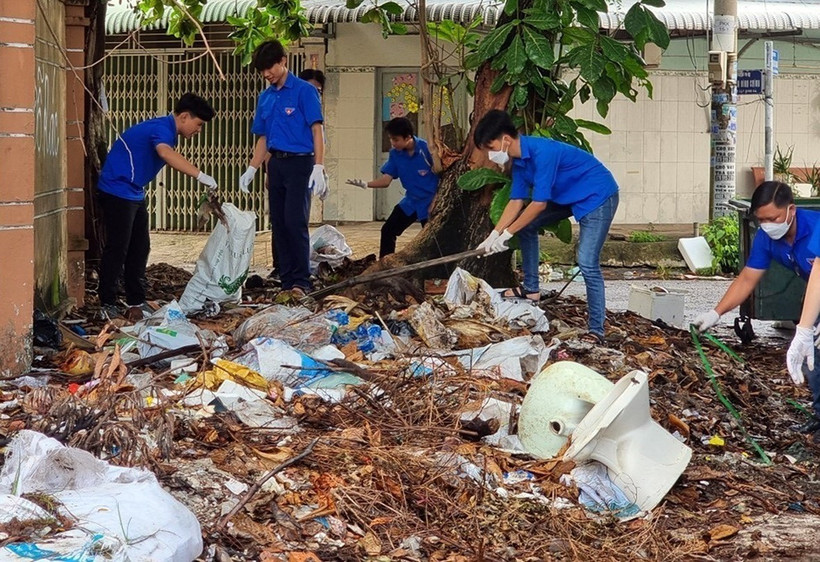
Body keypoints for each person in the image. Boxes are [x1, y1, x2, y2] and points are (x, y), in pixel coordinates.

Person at [472, 109, 619, 343]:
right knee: (528, 227)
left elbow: (538, 205)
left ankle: (596, 330)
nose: (490, 155)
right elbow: (516, 201)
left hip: (597, 195)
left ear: (506, 140)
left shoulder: (544, 153)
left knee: (587, 262)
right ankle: (531, 289)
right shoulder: (519, 162)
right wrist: (494, 234)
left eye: (491, 147)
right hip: (569, 196)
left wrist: (509, 233)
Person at [692, 181, 820, 439]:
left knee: (808, 341)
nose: (767, 225)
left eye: (772, 218)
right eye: (761, 220)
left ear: (791, 210)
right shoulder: (766, 237)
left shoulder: (816, 227)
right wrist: (716, 313)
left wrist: (804, 329)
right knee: (811, 356)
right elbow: (748, 278)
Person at [97, 93, 216, 321]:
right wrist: (200, 175)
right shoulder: (162, 129)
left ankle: (136, 301)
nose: (198, 130)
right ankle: (107, 303)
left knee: (140, 247)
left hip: (134, 191)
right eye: (198, 124)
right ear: (183, 117)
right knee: (118, 248)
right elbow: (165, 153)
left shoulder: (168, 129)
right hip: (117, 189)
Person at [238, 40, 327, 298]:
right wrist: (253, 168)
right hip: (276, 164)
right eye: (262, 70)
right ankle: (286, 280)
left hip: (301, 163)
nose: (267, 74)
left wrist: (319, 165)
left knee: (294, 221)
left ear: (283, 61)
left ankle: (301, 281)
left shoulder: (304, 91)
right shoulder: (265, 97)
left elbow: (316, 129)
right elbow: (263, 138)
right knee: (278, 222)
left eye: (270, 68)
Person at [345, 117, 439, 258]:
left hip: (431, 202)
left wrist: (436, 201)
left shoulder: (427, 150)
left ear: (408, 137)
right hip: (411, 201)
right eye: (390, 139)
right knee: (388, 230)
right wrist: (365, 184)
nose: (392, 143)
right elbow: (386, 181)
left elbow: (443, 176)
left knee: (433, 241)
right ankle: (385, 267)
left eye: (395, 139)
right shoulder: (395, 154)